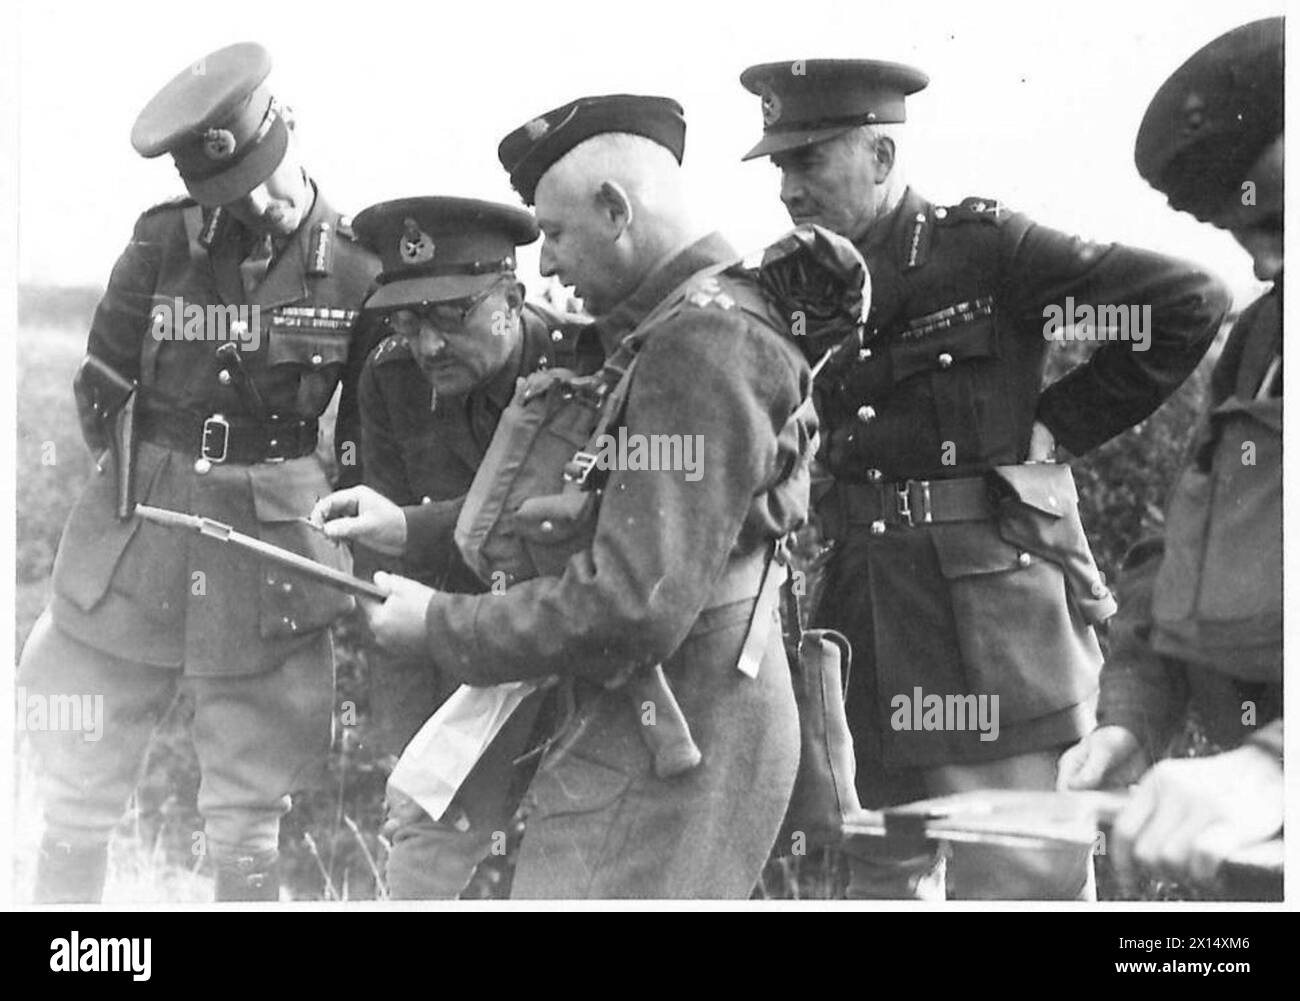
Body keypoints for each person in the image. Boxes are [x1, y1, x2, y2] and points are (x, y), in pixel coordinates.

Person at [737, 58, 1232, 899]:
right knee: (875, 867)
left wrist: (1059, 424)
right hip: (862, 614)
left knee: (1021, 870)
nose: (788, 188)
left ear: (882, 158)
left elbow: (1186, 300)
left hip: (989, 628)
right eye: (780, 165)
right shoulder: (798, 283)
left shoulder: (987, 250)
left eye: (809, 160)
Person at [317, 94, 814, 897]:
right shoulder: (668, 332)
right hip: (660, 709)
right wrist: (408, 527)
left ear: (616, 209)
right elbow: (582, 520)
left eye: (553, 233)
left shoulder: (700, 348)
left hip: (678, 725)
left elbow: (631, 601)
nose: (544, 264)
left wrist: (442, 623)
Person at [19, 42, 379, 902]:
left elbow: (364, 441)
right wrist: (145, 483)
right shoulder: (159, 245)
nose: (250, 202)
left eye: (261, 174)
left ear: (288, 125)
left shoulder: (363, 267)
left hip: (271, 550)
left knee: (249, 813)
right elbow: (102, 384)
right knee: (78, 780)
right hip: (140, 526)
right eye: (225, 191)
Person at [1058, 17, 1283, 897]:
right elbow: (1187, 538)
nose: (1262, 259)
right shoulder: (1265, 333)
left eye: (1271, 206)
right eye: (1236, 228)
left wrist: (1274, 766)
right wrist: (1132, 721)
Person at [329, 196, 588, 897]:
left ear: (512, 296)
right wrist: (410, 740)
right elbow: (383, 561)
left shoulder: (584, 368)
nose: (429, 345)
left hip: (566, 648)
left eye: (453, 315)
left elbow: (541, 527)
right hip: (451, 650)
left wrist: (412, 528)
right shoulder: (389, 376)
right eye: (409, 319)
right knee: (423, 847)